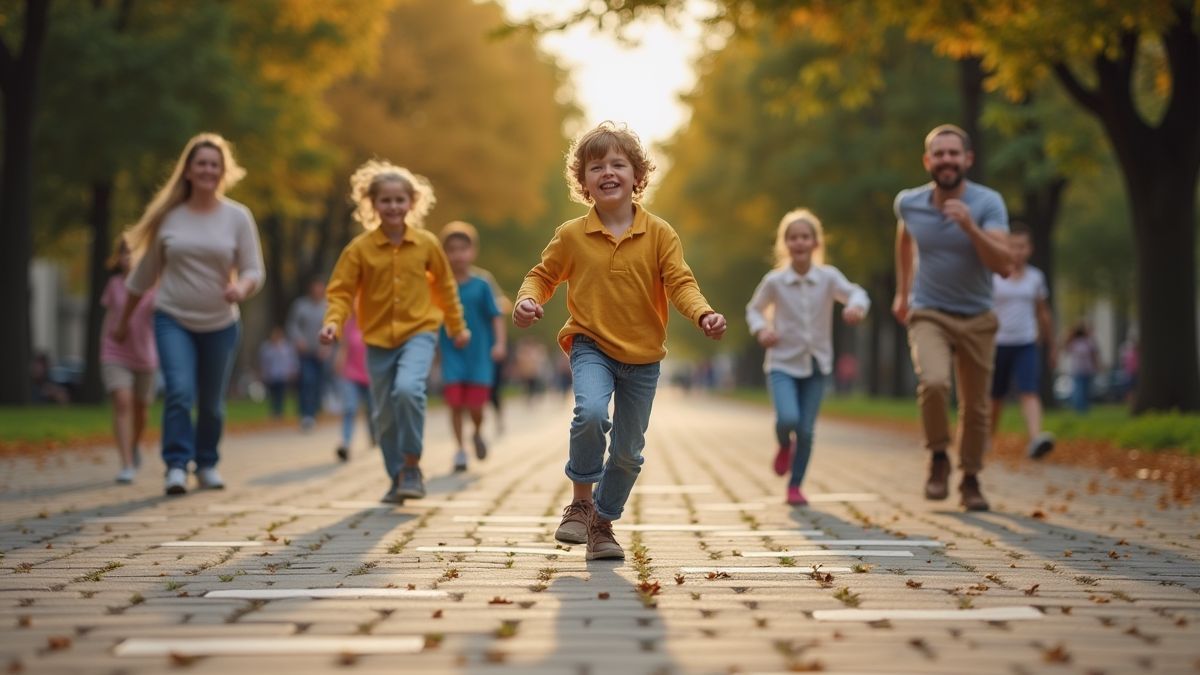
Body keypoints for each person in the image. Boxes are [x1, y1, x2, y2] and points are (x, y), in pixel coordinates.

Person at [513, 121, 727, 560]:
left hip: (643, 358)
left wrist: (703, 312)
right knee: (590, 412)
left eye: (618, 164)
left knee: (629, 453)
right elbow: (542, 275)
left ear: (637, 176)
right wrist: (527, 301)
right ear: (584, 183)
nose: (607, 172)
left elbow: (680, 283)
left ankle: (602, 525)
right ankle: (580, 502)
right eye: (596, 167)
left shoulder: (660, 234)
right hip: (591, 343)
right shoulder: (573, 234)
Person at [117, 132, 265, 496]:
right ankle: (177, 466)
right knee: (180, 392)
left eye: (215, 164)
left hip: (221, 323)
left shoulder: (237, 216)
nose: (208, 170)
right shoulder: (170, 218)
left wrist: (240, 289)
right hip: (173, 317)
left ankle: (208, 462)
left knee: (212, 404)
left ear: (223, 171)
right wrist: (122, 323)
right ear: (187, 170)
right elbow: (143, 275)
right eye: (201, 163)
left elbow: (253, 270)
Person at [319, 159, 468, 504]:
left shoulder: (428, 244)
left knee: (407, 390)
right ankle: (397, 477)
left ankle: (412, 465)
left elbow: (446, 288)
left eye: (400, 200)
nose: (393, 206)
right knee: (383, 416)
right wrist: (333, 323)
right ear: (371, 204)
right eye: (385, 200)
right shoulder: (359, 250)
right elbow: (341, 291)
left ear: (412, 203)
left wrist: (457, 327)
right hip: (378, 340)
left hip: (420, 332)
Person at [892, 124, 1013, 512]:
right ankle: (939, 456)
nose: (946, 160)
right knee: (934, 382)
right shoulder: (909, 203)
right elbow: (905, 238)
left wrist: (969, 227)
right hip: (929, 310)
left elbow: (1005, 265)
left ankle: (972, 479)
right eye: (938, 154)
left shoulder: (987, 203)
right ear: (928, 161)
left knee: (976, 406)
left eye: (953, 153)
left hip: (978, 315)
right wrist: (902, 289)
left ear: (967, 159)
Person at [746, 209, 869, 506]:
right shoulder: (775, 281)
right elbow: (754, 309)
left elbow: (856, 293)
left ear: (815, 242)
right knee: (788, 418)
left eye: (805, 237)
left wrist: (855, 308)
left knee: (807, 430)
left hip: (816, 364)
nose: (799, 242)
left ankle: (795, 485)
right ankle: (782, 445)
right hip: (782, 364)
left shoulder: (827, 277)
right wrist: (762, 330)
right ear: (785, 244)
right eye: (793, 237)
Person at [438, 221, 507, 472]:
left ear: (472, 251)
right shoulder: (440, 284)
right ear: (444, 253)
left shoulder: (482, 283)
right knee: (455, 404)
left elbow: (495, 316)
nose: (458, 255)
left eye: (463, 249)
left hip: (480, 355)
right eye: (452, 249)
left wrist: (499, 344)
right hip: (451, 354)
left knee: (476, 406)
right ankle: (459, 450)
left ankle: (477, 432)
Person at [989, 225, 1056, 459]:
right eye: (1013, 246)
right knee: (995, 397)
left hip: (1026, 342)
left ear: (1030, 249)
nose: (1017, 252)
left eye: (1022, 247)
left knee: (1029, 391)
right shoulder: (993, 275)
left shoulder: (1036, 278)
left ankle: (1036, 438)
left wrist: (1052, 344)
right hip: (997, 343)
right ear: (1005, 246)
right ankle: (987, 438)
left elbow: (1043, 312)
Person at [100, 237, 159, 483]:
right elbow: (108, 318)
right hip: (115, 351)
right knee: (122, 402)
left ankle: (134, 445)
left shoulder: (153, 287)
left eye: (134, 253)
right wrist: (103, 349)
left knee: (141, 410)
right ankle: (125, 465)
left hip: (145, 355)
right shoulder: (113, 285)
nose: (128, 258)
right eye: (124, 253)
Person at [287, 278, 330, 431]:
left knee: (319, 384)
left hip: (321, 352)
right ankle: (306, 414)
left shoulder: (327, 306)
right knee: (307, 381)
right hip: (305, 352)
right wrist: (299, 340)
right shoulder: (301, 305)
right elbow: (292, 325)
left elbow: (333, 327)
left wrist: (327, 347)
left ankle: (314, 412)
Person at [333, 313, 375, 462]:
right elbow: (344, 346)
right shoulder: (349, 323)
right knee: (349, 408)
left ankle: (374, 437)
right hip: (351, 374)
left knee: (371, 410)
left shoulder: (374, 319)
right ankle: (345, 443)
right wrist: (339, 361)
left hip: (371, 374)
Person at [258, 326, 298, 419]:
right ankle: (273, 411)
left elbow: (291, 360)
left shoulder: (286, 347)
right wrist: (263, 373)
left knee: (281, 394)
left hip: (283, 375)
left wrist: (292, 371)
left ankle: (280, 412)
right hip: (271, 375)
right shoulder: (266, 348)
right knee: (272, 394)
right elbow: (264, 362)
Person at [1064, 323, 1101, 413]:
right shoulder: (1078, 342)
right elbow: (1094, 355)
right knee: (1080, 390)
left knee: (1083, 390)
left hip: (1085, 369)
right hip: (1079, 370)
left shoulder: (1087, 342)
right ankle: (1080, 408)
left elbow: (1094, 354)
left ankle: (1083, 407)